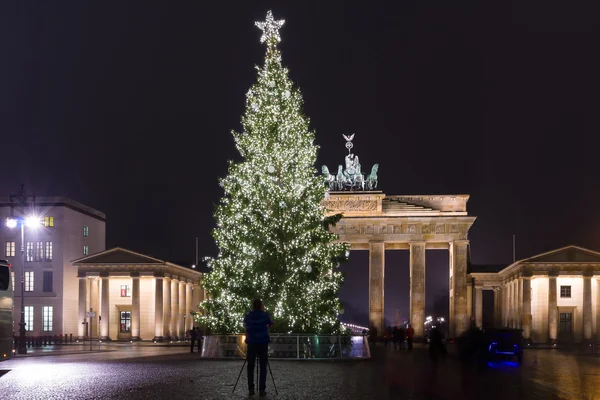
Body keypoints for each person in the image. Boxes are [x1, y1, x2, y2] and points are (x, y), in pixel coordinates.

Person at [244, 299, 274, 396]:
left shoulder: (249, 315)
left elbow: (246, 323)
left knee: (250, 366)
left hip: (252, 343)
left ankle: (251, 388)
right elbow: (270, 323)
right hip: (262, 342)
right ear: (261, 305)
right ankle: (261, 389)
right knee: (263, 366)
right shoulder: (265, 315)